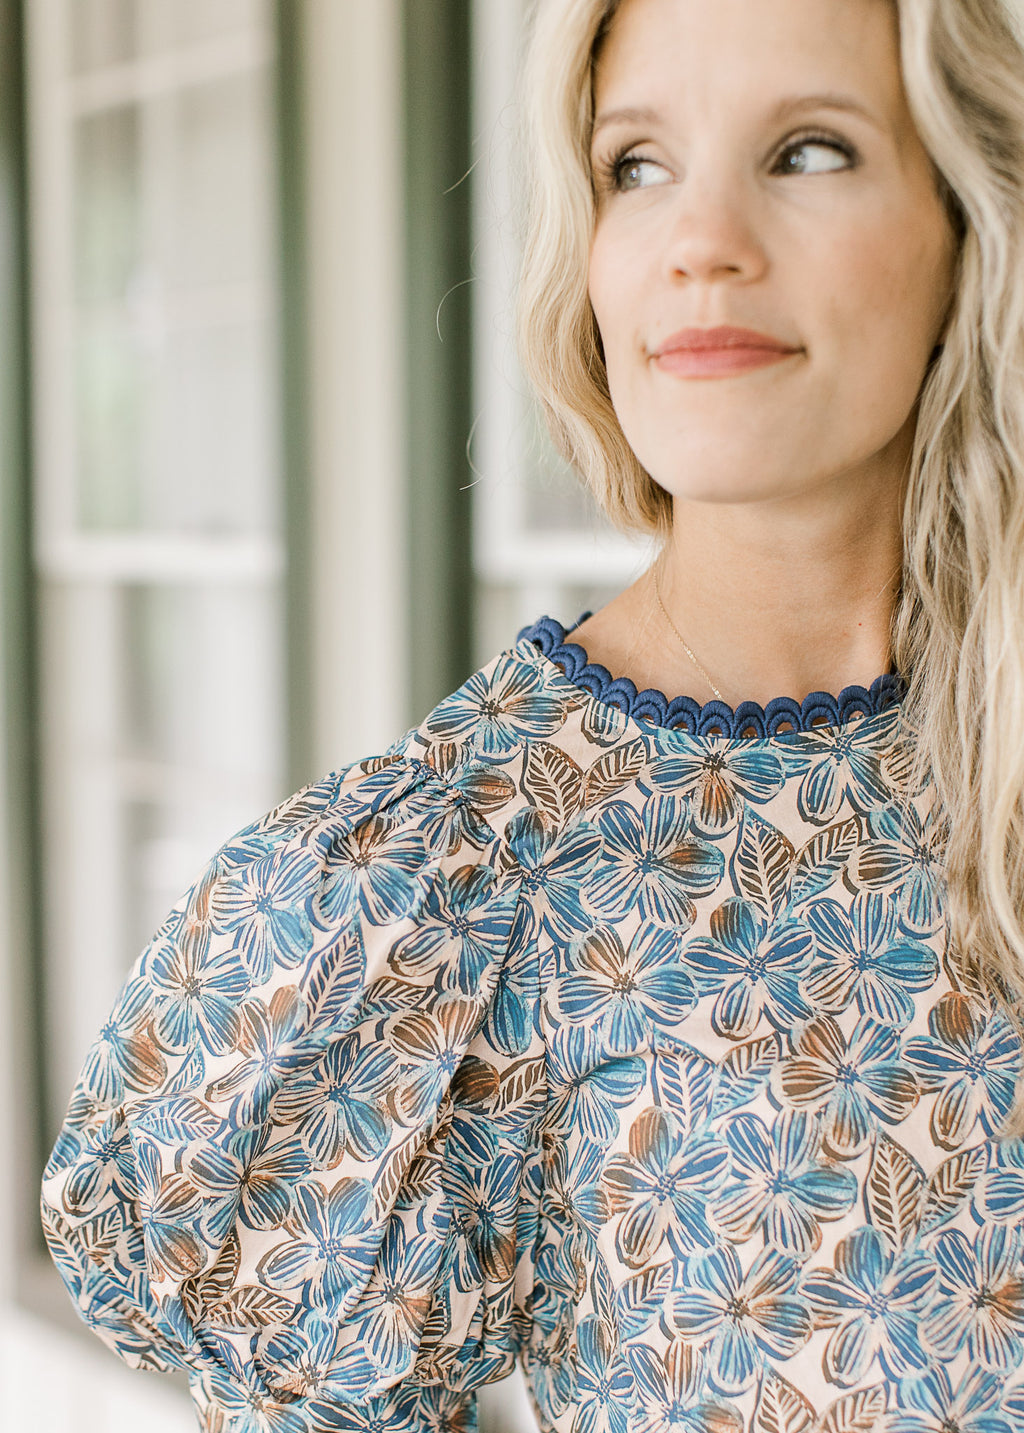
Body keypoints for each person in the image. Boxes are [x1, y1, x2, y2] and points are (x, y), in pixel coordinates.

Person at [40, 0, 1024, 1428]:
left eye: (808, 151)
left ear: (966, 215)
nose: (703, 241)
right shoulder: (451, 875)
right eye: (636, 166)